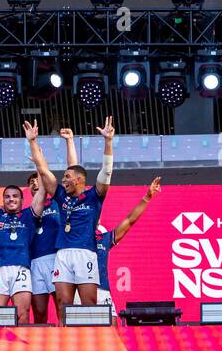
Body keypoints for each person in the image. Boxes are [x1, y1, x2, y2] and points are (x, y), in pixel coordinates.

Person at [0, 140, 48, 324]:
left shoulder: (29, 215)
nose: (11, 199)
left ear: (22, 199)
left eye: (15, 196)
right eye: (7, 197)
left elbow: (42, 191)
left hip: (21, 268)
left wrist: (38, 162)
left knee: (22, 315)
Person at [52, 117, 116, 319]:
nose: (65, 180)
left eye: (69, 178)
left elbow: (106, 172)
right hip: (64, 253)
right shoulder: (67, 194)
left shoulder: (95, 195)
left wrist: (108, 141)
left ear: (81, 181)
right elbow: (73, 170)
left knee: (89, 307)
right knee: (64, 306)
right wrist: (69, 141)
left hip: (86, 252)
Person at [93, 177, 162, 307]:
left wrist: (147, 198)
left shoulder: (105, 238)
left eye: (98, 216)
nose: (97, 218)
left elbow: (130, 220)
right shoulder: (76, 238)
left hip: (102, 291)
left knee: (113, 327)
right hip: (81, 293)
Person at [27, 123, 63, 324]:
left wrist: (39, 163)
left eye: (37, 181)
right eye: (31, 182)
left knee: (61, 309)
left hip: (55, 259)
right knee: (39, 313)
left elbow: (45, 178)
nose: (35, 184)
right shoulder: (27, 212)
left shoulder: (57, 202)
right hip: (34, 263)